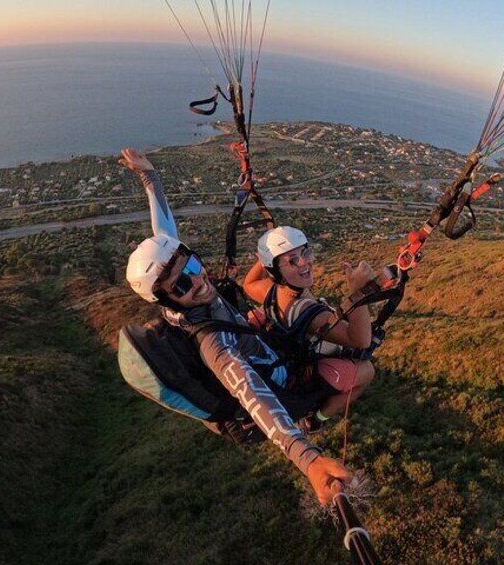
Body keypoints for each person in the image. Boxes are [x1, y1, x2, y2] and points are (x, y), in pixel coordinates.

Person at [119, 147, 352, 505]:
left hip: (256, 344)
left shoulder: (184, 296)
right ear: (166, 300)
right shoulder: (214, 342)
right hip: (277, 379)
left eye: (193, 267)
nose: (198, 282)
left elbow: (165, 232)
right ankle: (315, 419)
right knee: (356, 362)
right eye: (182, 285)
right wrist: (310, 460)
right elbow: (254, 396)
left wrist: (150, 179)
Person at [243, 226, 376, 431]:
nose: (304, 262)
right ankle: (318, 419)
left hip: (290, 351)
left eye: (304, 252)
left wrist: (266, 255)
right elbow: (360, 340)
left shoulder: (270, 291)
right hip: (306, 370)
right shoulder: (307, 311)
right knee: (367, 371)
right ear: (275, 272)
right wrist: (358, 291)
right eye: (292, 260)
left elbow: (248, 283)